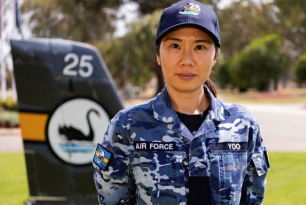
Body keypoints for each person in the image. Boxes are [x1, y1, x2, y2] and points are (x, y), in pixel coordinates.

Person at [92, 0, 270, 204]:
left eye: (199, 47)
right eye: (175, 45)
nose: (187, 59)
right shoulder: (127, 126)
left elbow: (253, 198)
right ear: (158, 55)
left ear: (215, 57)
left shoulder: (243, 124)